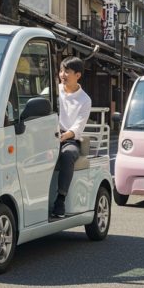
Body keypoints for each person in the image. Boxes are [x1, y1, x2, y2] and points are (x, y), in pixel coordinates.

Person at [53, 56, 92, 218]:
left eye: (67, 72)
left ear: (78, 75)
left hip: (69, 139)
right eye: (61, 71)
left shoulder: (85, 99)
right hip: (48, 134)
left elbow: (78, 125)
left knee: (67, 155)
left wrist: (63, 136)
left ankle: (60, 199)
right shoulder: (54, 90)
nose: (62, 75)